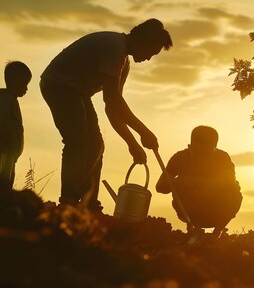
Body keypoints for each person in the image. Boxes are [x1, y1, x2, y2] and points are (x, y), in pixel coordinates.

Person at [40, 19, 172, 211]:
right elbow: (113, 101)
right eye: (151, 52)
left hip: (78, 93)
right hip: (60, 85)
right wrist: (143, 131)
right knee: (78, 140)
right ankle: (69, 199)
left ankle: (89, 202)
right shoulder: (114, 47)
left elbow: (112, 108)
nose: (149, 58)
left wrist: (132, 144)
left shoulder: (123, 62)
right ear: (142, 40)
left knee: (96, 144)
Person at [156, 126, 242, 238]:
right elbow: (160, 187)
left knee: (234, 190)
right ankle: (194, 230)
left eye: (207, 152)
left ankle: (217, 233)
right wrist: (177, 182)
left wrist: (195, 182)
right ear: (191, 145)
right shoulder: (180, 158)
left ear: (215, 147)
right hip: (190, 211)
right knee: (180, 186)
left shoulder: (222, 157)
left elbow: (230, 181)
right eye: (199, 151)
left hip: (217, 209)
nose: (203, 158)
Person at [0, 61, 31, 190]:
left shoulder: (9, 100)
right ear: (15, 82)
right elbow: (1, 123)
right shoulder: (6, 100)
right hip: (2, 151)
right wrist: (11, 140)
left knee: (5, 185)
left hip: (8, 153)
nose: (26, 89)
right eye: (24, 85)